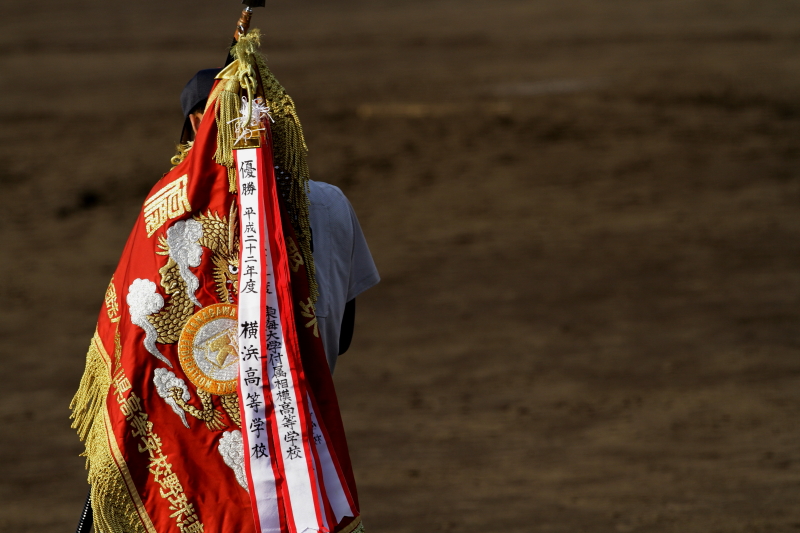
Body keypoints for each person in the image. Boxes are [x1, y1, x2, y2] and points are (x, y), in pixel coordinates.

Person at [179, 68, 380, 372]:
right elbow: (342, 337)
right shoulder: (331, 202)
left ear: (196, 125)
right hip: (308, 406)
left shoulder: (176, 214)